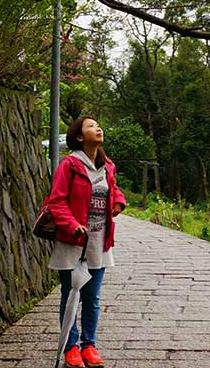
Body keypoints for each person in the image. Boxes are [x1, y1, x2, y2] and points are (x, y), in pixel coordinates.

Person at [45, 116, 127, 368]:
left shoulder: (107, 165)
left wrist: (118, 201)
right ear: (79, 137)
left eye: (98, 125)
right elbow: (56, 201)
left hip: (99, 242)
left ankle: (89, 346)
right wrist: (72, 225)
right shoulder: (69, 165)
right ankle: (70, 348)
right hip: (73, 242)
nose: (98, 128)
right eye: (91, 126)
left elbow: (113, 188)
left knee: (92, 298)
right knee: (71, 296)